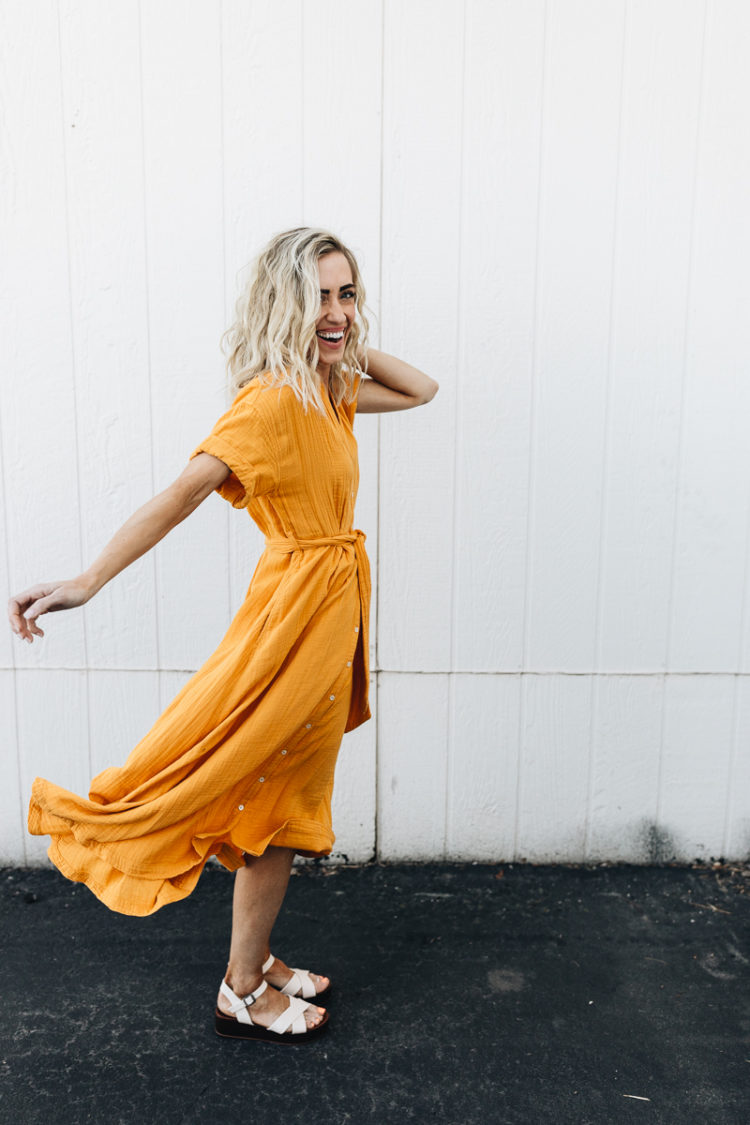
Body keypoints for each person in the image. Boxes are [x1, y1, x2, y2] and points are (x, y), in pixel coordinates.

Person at [7, 227, 438, 1044]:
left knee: (279, 792)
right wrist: (86, 582)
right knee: (275, 801)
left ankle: (259, 957)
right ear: (283, 303)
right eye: (318, 296)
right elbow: (180, 493)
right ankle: (243, 987)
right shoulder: (271, 403)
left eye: (348, 293)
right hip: (294, 620)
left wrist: (342, 346)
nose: (338, 310)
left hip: (326, 606)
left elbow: (422, 388)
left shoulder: (327, 389)